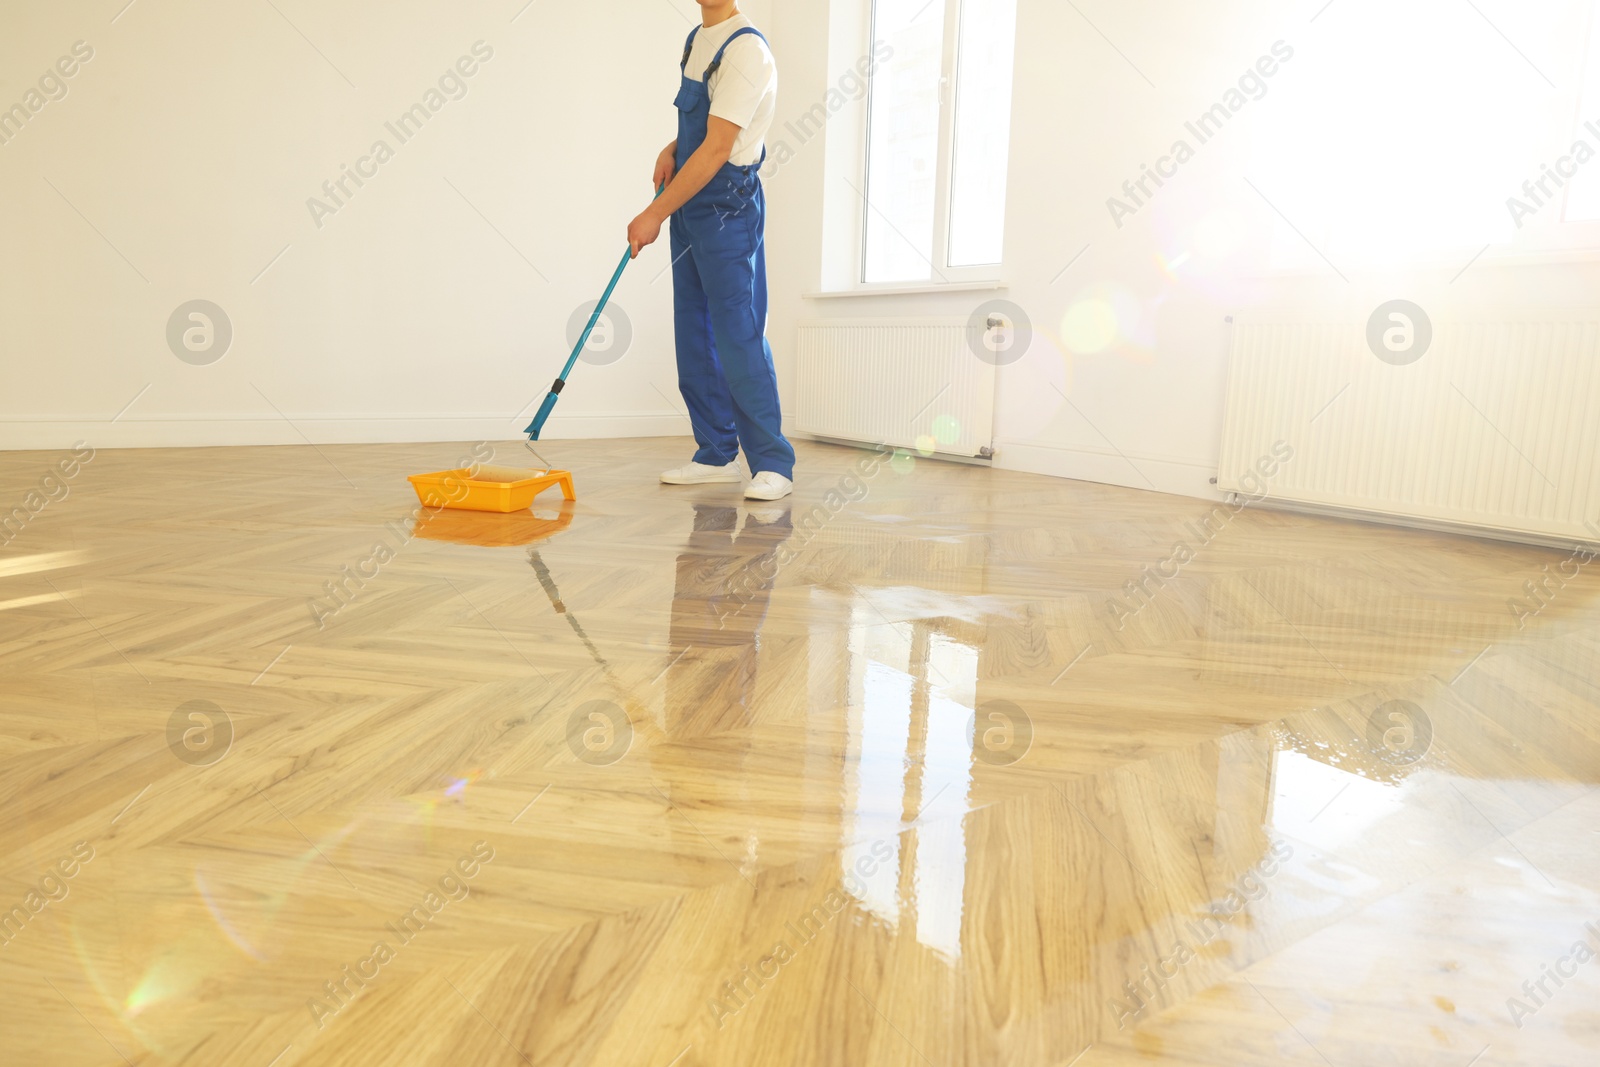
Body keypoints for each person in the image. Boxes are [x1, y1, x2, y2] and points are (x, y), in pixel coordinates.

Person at [627, 1, 795, 502]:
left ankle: (772, 462)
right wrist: (672, 148)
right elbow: (702, 130)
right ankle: (717, 452)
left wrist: (654, 214)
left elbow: (720, 147)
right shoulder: (698, 39)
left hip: (726, 203)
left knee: (737, 331)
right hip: (690, 197)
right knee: (694, 327)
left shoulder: (747, 50)